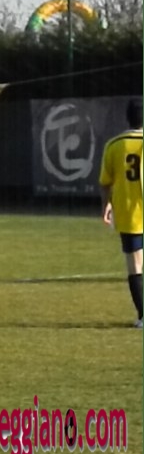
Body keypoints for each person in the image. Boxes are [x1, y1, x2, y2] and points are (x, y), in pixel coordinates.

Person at [100, 98, 143, 328]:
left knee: (135, 264)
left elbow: (105, 182)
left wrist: (107, 204)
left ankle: (143, 316)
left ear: (127, 118)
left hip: (129, 212)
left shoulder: (114, 145)